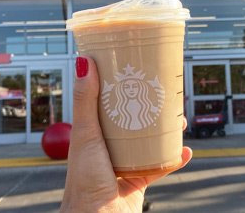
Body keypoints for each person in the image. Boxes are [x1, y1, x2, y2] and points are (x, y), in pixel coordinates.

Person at [61, 56, 192, 212]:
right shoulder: (119, 109)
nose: (131, 90)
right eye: (126, 87)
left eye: (134, 87)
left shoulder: (146, 107)